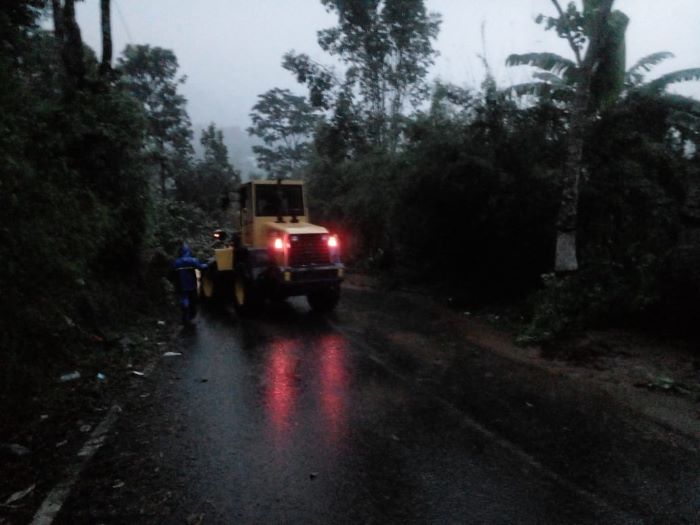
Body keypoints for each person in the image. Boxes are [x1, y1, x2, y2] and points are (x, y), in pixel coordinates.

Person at [172, 243, 207, 325]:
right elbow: (201, 267)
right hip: (191, 285)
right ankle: (191, 316)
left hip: (181, 285)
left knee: (184, 298)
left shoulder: (176, 262)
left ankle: (184, 314)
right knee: (193, 301)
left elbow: (171, 273)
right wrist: (207, 265)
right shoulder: (192, 260)